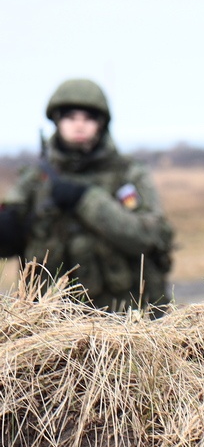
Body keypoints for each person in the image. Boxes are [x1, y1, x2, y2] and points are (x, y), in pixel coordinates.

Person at [0, 78, 173, 312]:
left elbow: (147, 236)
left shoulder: (127, 175)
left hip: (123, 317)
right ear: (58, 122)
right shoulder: (35, 180)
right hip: (48, 322)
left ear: (101, 124)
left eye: (88, 118)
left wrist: (86, 200)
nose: (79, 126)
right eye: (71, 118)